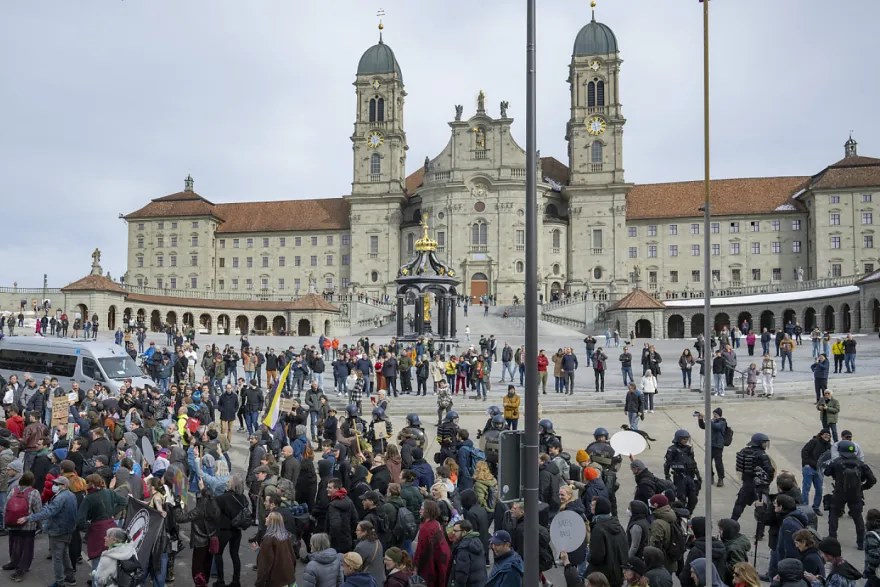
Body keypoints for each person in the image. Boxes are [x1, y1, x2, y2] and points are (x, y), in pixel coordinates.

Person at [19, 475, 78, 587]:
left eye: (57, 484)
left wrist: (28, 518)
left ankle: (59, 582)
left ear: (64, 485)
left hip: (57, 530)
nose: (54, 486)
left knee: (57, 558)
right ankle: (70, 578)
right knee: (64, 554)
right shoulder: (71, 495)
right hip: (68, 529)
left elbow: (49, 512)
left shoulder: (60, 498)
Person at [824, 440, 876, 549]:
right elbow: (872, 480)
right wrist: (862, 487)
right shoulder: (860, 464)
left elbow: (826, 472)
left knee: (834, 514)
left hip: (839, 493)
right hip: (855, 494)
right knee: (858, 517)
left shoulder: (836, 462)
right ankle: (861, 543)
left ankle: (832, 538)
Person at [3, 468, 41, 582]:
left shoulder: (13, 490)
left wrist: (7, 521)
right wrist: (40, 525)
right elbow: (38, 511)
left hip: (13, 523)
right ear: (32, 481)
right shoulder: (34, 492)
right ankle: (21, 570)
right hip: (27, 525)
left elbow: (6, 507)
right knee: (26, 548)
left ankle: (13, 562)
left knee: (14, 545)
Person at [586, 496, 629, 587]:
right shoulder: (617, 524)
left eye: (593, 505)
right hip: (617, 571)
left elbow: (596, 556)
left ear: (599, 508)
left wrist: (588, 556)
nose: (591, 507)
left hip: (603, 575)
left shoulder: (598, 528)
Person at [413, 500, 451, 587]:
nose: (420, 511)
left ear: (427, 511)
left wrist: (415, 566)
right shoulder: (436, 524)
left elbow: (420, 549)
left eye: (422, 509)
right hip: (439, 559)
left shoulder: (425, 528)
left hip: (429, 562)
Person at [256, 512, 297, 587]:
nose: (265, 518)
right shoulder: (286, 537)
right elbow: (292, 556)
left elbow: (265, 565)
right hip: (287, 578)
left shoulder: (268, 539)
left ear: (272, 522)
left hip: (275, 581)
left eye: (268, 517)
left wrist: (260, 583)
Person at [800, 428, 832, 517]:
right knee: (806, 489)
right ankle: (804, 508)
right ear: (821, 435)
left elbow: (829, 458)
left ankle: (816, 508)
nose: (827, 436)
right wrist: (806, 464)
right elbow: (804, 451)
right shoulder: (814, 441)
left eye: (829, 435)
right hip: (809, 468)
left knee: (819, 490)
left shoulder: (829, 446)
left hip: (819, 471)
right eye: (826, 434)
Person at [449, 519, 488, 587]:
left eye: (455, 531)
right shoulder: (476, 541)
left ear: (464, 532)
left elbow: (461, 574)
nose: (453, 533)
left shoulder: (464, 549)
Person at [698, 408, 729, 487]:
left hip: (718, 446)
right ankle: (710, 476)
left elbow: (716, 427)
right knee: (708, 462)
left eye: (716, 414)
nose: (714, 415)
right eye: (714, 414)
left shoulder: (722, 422)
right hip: (709, 445)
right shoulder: (712, 421)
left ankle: (720, 478)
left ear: (719, 415)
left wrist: (707, 418)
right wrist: (701, 420)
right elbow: (703, 426)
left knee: (718, 463)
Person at [354, 521, 385, 585]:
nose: (356, 532)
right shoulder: (377, 541)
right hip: (379, 579)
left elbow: (355, 567)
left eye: (357, 530)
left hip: (367, 581)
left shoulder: (360, 547)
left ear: (365, 532)